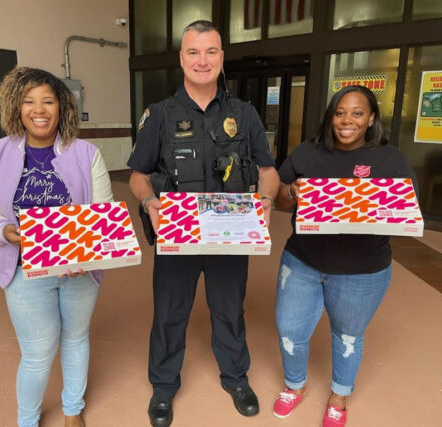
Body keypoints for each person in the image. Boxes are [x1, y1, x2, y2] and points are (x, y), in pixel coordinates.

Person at [128, 20, 279, 427]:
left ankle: (236, 377)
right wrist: (151, 203)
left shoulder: (243, 115)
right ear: (181, 58)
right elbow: (138, 176)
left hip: (229, 235)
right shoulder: (159, 115)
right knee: (169, 312)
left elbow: (268, 170)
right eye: (193, 52)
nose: (202, 60)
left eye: (211, 51)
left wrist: (266, 199)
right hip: (177, 236)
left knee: (229, 310)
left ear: (221, 58)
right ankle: (163, 388)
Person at [0, 67, 113, 427]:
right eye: (28, 101)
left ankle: (73, 409)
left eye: (48, 100)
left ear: (62, 108)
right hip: (25, 269)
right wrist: (2, 230)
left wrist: (85, 253)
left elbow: (101, 214)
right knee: (38, 353)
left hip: (79, 268)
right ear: (16, 107)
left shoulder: (86, 153)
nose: (38, 109)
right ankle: (27, 420)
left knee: (76, 338)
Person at [272, 85, 418, 426]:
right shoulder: (309, 152)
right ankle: (294, 386)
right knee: (289, 328)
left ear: (371, 119)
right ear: (330, 117)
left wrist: (377, 207)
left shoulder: (390, 159)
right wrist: (293, 190)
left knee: (348, 335)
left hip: (362, 270)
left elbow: (409, 210)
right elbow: (280, 199)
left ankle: (339, 397)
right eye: (340, 113)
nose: (347, 121)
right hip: (303, 261)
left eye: (357, 113)